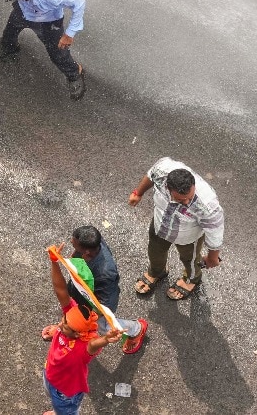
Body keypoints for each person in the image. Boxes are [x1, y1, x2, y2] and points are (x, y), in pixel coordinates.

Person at [128, 157, 225, 301]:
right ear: (167, 187)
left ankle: (192, 279)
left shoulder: (207, 204)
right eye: (180, 199)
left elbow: (215, 231)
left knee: (190, 260)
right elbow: (150, 175)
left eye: (189, 197)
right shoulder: (162, 170)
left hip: (188, 237)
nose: (187, 202)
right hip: (160, 226)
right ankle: (157, 271)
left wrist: (212, 258)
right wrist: (138, 193)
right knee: (155, 251)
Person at [42, 246, 123, 415]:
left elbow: (95, 344)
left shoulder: (83, 348)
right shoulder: (71, 315)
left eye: (66, 326)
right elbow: (60, 290)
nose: (61, 324)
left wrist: (107, 339)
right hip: (50, 374)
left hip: (64, 393)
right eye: (64, 320)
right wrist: (54, 261)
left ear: (78, 334)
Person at [41, 226, 147, 354]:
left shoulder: (106, 273)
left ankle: (136, 329)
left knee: (104, 326)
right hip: (81, 291)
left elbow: (105, 304)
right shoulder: (93, 242)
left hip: (98, 303)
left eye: (75, 247)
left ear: (86, 253)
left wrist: (88, 320)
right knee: (73, 313)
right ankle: (67, 328)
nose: (73, 250)